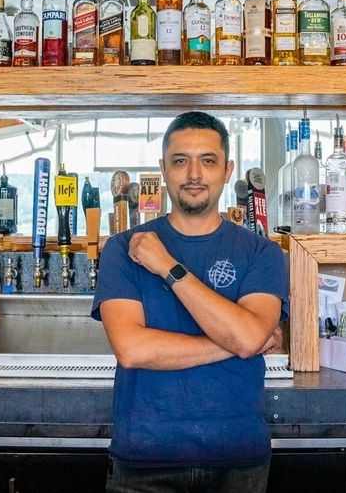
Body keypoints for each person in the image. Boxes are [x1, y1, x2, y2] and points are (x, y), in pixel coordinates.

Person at [92, 111, 288, 493]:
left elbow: (249, 338)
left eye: (208, 161)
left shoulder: (262, 253)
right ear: (163, 169)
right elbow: (132, 350)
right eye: (181, 161)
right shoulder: (123, 249)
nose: (194, 174)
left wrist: (167, 266)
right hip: (144, 459)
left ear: (228, 170)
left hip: (238, 460)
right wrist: (237, 343)